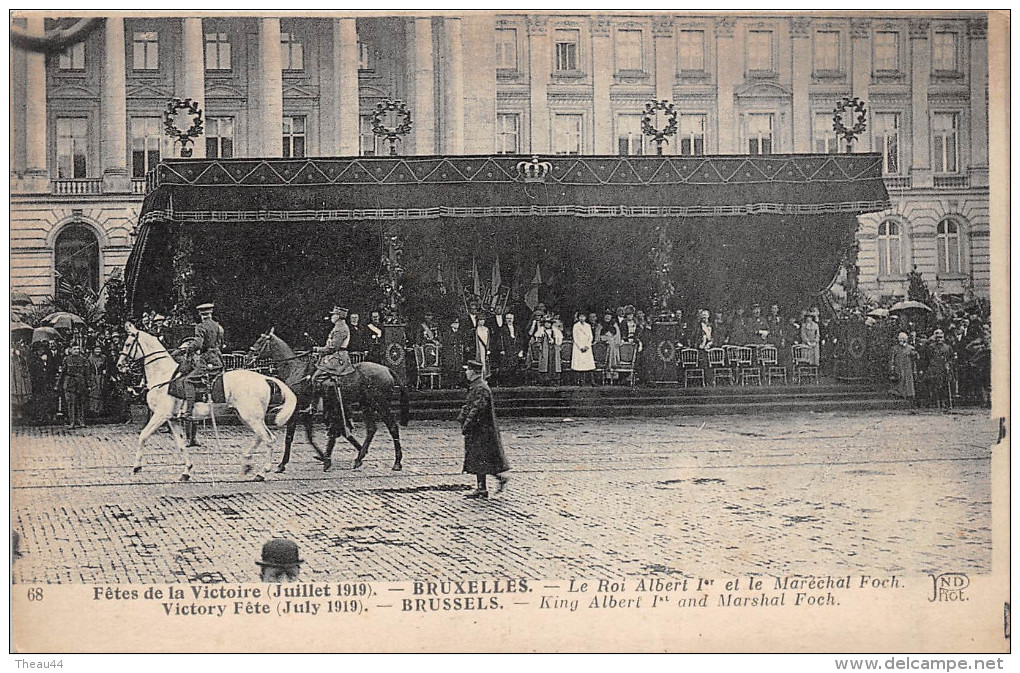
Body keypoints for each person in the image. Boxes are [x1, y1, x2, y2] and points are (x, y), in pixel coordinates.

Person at [457, 360, 509, 499]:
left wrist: (467, 423)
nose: (466, 372)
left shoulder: (480, 387)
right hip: (479, 429)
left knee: (482, 458)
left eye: (468, 370)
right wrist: (462, 417)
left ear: (473, 372)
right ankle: (482, 488)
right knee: (478, 458)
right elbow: (469, 405)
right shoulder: (476, 386)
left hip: (482, 430)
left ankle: (496, 480)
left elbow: (477, 408)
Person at [178, 303, 225, 420]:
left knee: (188, 380)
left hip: (206, 360)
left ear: (200, 314)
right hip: (218, 360)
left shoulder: (201, 326)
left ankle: (188, 412)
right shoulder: (219, 327)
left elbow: (198, 343)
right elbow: (221, 344)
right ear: (211, 313)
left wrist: (189, 350)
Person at [311, 305, 353, 386]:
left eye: (333, 315)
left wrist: (317, 349)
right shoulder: (338, 327)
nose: (332, 317)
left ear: (338, 316)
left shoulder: (341, 328)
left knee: (315, 378)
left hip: (338, 358)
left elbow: (333, 348)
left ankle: (320, 398)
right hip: (333, 356)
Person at [57, 343, 90, 428]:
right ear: (70, 350)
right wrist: (58, 383)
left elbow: (87, 373)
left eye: (78, 349)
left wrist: (88, 384)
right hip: (69, 383)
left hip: (80, 383)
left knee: (81, 403)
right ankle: (72, 422)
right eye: (74, 349)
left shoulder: (83, 359)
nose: (76, 351)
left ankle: (81, 421)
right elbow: (62, 373)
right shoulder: (66, 359)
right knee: (70, 403)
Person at [924, 328, 955, 410]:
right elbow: (927, 358)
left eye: (941, 337)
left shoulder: (948, 347)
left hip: (944, 368)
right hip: (934, 369)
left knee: (945, 386)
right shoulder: (931, 347)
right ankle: (936, 403)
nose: (939, 339)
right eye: (937, 337)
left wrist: (949, 364)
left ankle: (945, 403)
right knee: (935, 386)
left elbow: (951, 357)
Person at [888, 331, 919, 402]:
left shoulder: (910, 348)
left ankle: (909, 394)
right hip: (898, 366)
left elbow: (915, 358)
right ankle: (899, 394)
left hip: (907, 367)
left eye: (903, 339)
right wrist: (892, 367)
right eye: (900, 339)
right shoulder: (895, 348)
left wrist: (915, 354)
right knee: (900, 380)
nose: (901, 341)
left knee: (908, 380)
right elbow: (892, 359)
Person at [532, 316, 562, 385]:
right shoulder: (541, 331)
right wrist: (540, 345)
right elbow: (538, 340)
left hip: (553, 349)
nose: (547, 324)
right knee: (545, 363)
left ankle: (554, 380)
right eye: (546, 323)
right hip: (545, 349)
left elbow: (559, 340)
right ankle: (545, 380)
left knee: (554, 363)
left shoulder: (555, 331)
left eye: (549, 323)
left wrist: (554, 340)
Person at [571, 312, 596, 386]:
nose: (582, 318)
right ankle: (580, 381)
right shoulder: (576, 326)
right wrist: (581, 347)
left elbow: (590, 336)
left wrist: (587, 346)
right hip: (578, 347)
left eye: (583, 317)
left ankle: (592, 382)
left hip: (587, 347)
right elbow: (575, 337)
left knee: (589, 365)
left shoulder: (588, 326)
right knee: (579, 365)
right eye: (580, 317)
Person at [596, 311, 622, 382]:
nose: (607, 317)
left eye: (609, 316)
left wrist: (612, 338)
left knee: (612, 349)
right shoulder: (600, 325)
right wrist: (605, 338)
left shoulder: (615, 325)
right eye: (606, 315)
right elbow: (597, 337)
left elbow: (618, 336)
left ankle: (613, 374)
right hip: (603, 346)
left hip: (613, 345)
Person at [11, 341, 33, 421]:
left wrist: (19, 355)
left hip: (19, 376)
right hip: (11, 374)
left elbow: (24, 363)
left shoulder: (20, 353)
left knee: (19, 393)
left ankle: (19, 412)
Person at [441, 317, 466, 387]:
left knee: (457, 368)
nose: (457, 324)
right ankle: (450, 384)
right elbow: (445, 344)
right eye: (455, 323)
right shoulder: (446, 333)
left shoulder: (460, 333)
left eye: (457, 323)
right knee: (450, 369)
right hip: (450, 354)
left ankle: (457, 384)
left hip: (457, 353)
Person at [87, 345, 108, 417]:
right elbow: (89, 369)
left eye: (99, 349)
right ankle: (93, 409)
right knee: (94, 392)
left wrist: (104, 371)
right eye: (96, 349)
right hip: (93, 376)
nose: (98, 351)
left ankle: (100, 409)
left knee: (101, 391)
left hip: (101, 376)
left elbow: (105, 366)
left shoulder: (103, 358)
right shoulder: (90, 358)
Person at [475, 314, 491, 378]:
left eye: (483, 320)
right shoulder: (475, 329)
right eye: (480, 320)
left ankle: (485, 376)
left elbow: (489, 339)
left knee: (485, 362)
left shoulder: (486, 329)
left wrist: (488, 348)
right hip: (479, 347)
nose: (482, 321)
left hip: (485, 348)